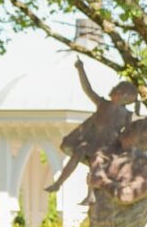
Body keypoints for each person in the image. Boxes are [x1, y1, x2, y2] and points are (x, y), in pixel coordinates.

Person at [46, 59, 139, 194]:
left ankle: (91, 194)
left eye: (118, 91)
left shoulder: (126, 115)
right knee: (80, 153)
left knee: (96, 163)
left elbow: (128, 136)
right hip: (93, 140)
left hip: (109, 146)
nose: (114, 91)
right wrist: (80, 69)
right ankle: (59, 182)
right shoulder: (103, 104)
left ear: (123, 96)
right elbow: (87, 89)